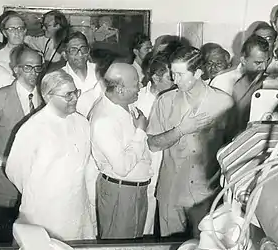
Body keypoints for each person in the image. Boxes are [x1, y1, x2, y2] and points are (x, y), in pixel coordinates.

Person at [147, 46, 233, 237]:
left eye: (180, 74)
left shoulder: (224, 103)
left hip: (206, 195)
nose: (174, 80)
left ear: (198, 72)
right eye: (172, 74)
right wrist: (180, 130)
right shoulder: (165, 101)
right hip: (172, 193)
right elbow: (153, 144)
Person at [6, 70, 94, 241]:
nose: (75, 98)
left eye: (76, 92)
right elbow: (15, 171)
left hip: (76, 206)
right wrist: (43, 192)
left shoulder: (82, 122)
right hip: (44, 211)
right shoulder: (32, 129)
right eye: (68, 95)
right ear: (47, 96)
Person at [90, 63, 152, 239]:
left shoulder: (126, 104)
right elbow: (122, 167)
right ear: (120, 89)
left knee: (133, 248)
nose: (140, 86)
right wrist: (141, 131)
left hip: (133, 190)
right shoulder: (104, 120)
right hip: (121, 192)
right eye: (136, 84)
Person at [0, 44, 43, 240]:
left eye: (38, 67)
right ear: (16, 69)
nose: (34, 73)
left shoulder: (46, 99)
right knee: (4, 243)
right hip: (4, 186)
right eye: (28, 67)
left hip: (35, 186)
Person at [134, 54, 173, 235]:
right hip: (144, 170)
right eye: (170, 77)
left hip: (170, 172)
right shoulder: (137, 100)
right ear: (156, 78)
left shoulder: (177, 98)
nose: (176, 81)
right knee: (142, 224)